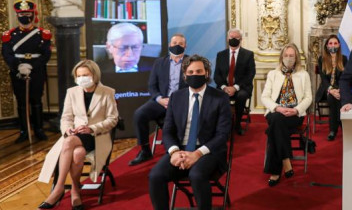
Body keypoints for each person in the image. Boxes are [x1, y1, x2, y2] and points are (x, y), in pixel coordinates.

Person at [148, 55, 232, 210]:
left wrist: (197, 154)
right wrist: (174, 152)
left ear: (206, 74)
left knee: (197, 175)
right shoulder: (176, 97)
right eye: (191, 72)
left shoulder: (220, 98)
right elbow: (167, 130)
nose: (195, 75)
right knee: (155, 176)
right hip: (180, 149)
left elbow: (222, 134)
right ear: (185, 75)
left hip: (209, 151)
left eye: (199, 71)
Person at [37, 60, 118, 210]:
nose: (82, 78)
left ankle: (58, 188)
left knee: (68, 143)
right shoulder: (72, 92)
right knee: (77, 153)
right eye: (79, 75)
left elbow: (113, 119)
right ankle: (75, 190)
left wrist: (92, 128)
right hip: (75, 136)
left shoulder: (108, 92)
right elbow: (66, 117)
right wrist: (67, 129)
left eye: (85, 75)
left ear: (94, 75)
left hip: (96, 136)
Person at [128, 34, 189, 166]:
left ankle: (174, 149)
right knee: (140, 114)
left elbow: (195, 85)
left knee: (172, 121)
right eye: (174, 43)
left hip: (181, 103)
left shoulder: (191, 62)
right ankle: (145, 150)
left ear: (185, 46)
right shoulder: (160, 62)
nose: (177, 46)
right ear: (169, 45)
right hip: (162, 100)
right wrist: (159, 99)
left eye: (180, 43)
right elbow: (152, 85)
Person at [2, 0, 52, 143]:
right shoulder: (9, 35)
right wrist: (19, 66)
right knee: (22, 102)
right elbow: (7, 54)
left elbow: (46, 55)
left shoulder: (42, 34)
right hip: (18, 72)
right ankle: (24, 131)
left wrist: (31, 66)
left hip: (36, 71)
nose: (25, 17)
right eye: (22, 14)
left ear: (33, 15)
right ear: (18, 15)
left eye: (27, 14)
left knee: (36, 101)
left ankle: (38, 129)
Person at [261, 43, 313, 186]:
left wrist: (296, 110)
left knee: (275, 128)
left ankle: (275, 172)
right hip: (275, 111)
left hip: (294, 113)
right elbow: (264, 97)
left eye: (291, 56)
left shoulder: (304, 74)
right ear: (281, 57)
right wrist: (277, 108)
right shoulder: (273, 74)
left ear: (296, 57)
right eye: (286, 56)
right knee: (277, 119)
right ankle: (285, 160)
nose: (289, 58)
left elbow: (308, 98)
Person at [214, 28, 256, 136]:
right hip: (225, 87)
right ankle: (223, 125)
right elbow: (217, 76)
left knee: (241, 96)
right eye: (231, 37)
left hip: (242, 87)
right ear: (228, 39)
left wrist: (235, 87)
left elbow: (250, 74)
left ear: (241, 39)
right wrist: (224, 87)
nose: (233, 39)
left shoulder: (248, 54)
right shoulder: (221, 55)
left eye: (236, 38)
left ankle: (237, 124)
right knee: (218, 95)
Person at [315, 35, 347, 141]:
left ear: (339, 45)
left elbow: (344, 78)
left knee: (335, 98)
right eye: (330, 43)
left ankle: (333, 130)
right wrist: (330, 90)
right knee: (332, 97)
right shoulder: (322, 59)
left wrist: (338, 90)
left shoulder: (343, 59)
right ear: (327, 46)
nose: (333, 45)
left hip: (339, 89)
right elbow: (323, 79)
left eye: (335, 43)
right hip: (326, 89)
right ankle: (341, 126)